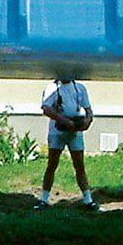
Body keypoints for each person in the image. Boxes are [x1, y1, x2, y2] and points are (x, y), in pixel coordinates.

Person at [38, 77, 97, 208]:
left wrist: (87, 120)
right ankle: (44, 198)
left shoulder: (80, 88)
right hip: (56, 131)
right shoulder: (52, 88)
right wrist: (63, 120)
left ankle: (88, 199)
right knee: (52, 164)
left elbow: (88, 110)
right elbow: (46, 109)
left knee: (79, 165)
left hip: (75, 131)